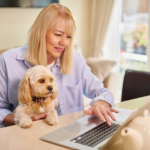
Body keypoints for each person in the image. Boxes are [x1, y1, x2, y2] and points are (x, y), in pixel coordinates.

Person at [0, 3, 118, 127]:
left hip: (71, 133)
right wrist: (21, 120)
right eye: (58, 34)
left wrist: (101, 102)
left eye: (68, 37)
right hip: (26, 135)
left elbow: (102, 92)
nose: (64, 43)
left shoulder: (76, 59)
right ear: (40, 32)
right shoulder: (8, 60)